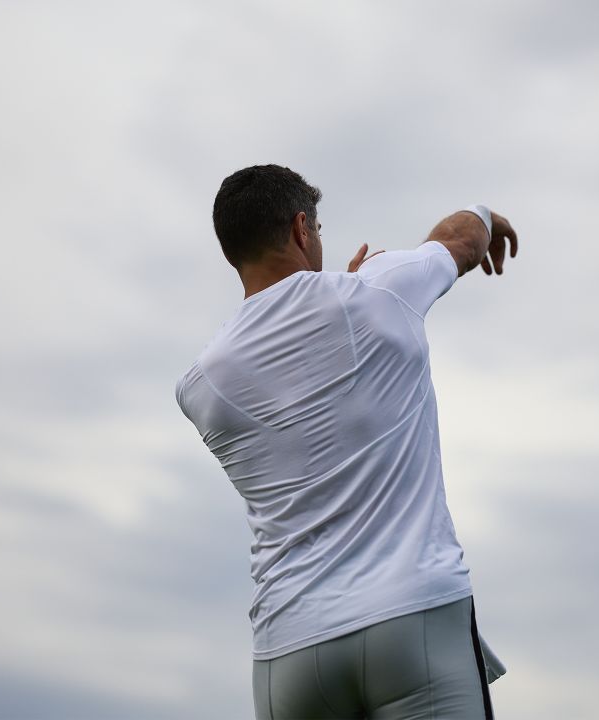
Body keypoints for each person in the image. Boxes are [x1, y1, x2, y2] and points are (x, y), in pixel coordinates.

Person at [175, 164, 517, 719]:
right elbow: (459, 239)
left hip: (289, 650)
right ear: (301, 228)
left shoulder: (200, 387)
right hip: (411, 615)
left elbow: (306, 417)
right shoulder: (379, 290)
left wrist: (353, 297)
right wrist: (486, 216)